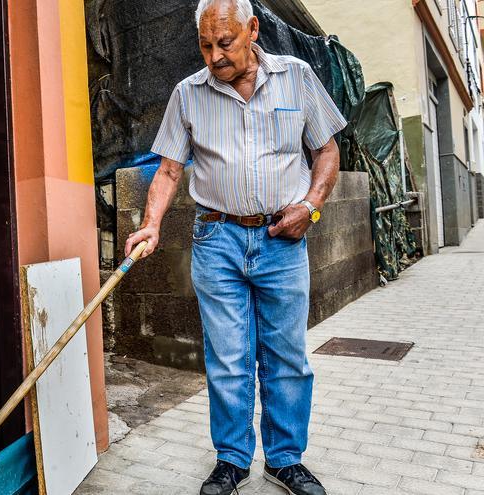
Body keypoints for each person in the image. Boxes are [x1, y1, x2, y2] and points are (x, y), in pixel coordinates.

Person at [123, 0, 346, 493]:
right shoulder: (188, 94)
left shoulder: (297, 76)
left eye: (225, 43)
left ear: (252, 29)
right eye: (205, 45)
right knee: (228, 357)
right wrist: (152, 224)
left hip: (281, 241)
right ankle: (231, 459)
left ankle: (285, 459)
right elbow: (168, 170)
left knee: (286, 355)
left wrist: (310, 207)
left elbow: (327, 149)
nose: (215, 56)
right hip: (216, 239)